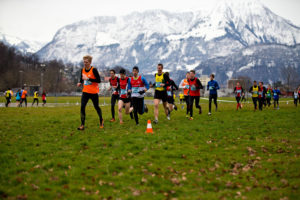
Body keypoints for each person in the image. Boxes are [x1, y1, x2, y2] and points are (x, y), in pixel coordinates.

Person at [77, 55, 103, 130]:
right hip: (85, 92)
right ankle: (82, 125)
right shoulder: (82, 70)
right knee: (82, 107)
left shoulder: (94, 70)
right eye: (84, 62)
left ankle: (101, 120)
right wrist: (79, 82)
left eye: (86, 62)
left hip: (93, 93)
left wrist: (88, 78)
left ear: (90, 62)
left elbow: (99, 80)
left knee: (96, 107)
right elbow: (82, 78)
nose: (85, 63)